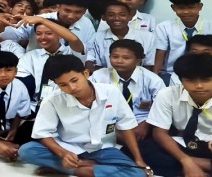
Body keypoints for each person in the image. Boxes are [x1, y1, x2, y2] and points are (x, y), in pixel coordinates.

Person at [18, 55, 150, 177]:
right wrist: (63, 154)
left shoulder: (111, 92)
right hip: (67, 147)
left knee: (137, 173)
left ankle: (75, 169)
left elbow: (125, 126)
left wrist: (138, 159)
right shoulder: (52, 100)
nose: (72, 88)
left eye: (74, 80)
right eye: (63, 85)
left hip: (104, 149)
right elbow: (43, 133)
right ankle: (91, 169)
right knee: (27, 150)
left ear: (86, 74)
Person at [90, 39, 165, 141]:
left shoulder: (153, 80)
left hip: (142, 124)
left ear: (138, 61)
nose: (119, 61)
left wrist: (146, 124)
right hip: (109, 124)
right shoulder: (98, 77)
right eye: (115, 57)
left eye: (126, 58)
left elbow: (162, 108)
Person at [14, 16, 87, 111]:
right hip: (37, 106)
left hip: (69, 104)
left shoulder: (72, 52)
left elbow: (74, 39)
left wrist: (41, 19)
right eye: (39, 34)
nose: (43, 37)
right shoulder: (30, 57)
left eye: (49, 33)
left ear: (60, 35)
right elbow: (22, 84)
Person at [0, 0, 95, 55]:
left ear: (85, 11)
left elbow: (90, 48)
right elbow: (11, 35)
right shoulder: (39, 19)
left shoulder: (86, 23)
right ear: (58, 7)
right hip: (36, 65)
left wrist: (89, 64)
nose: (71, 16)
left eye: (78, 12)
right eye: (67, 10)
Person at [87, 2, 156, 70]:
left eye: (122, 15)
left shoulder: (148, 37)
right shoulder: (96, 37)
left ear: (130, 17)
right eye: (111, 15)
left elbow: (148, 65)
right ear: (103, 17)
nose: (117, 18)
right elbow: (92, 61)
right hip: (105, 75)